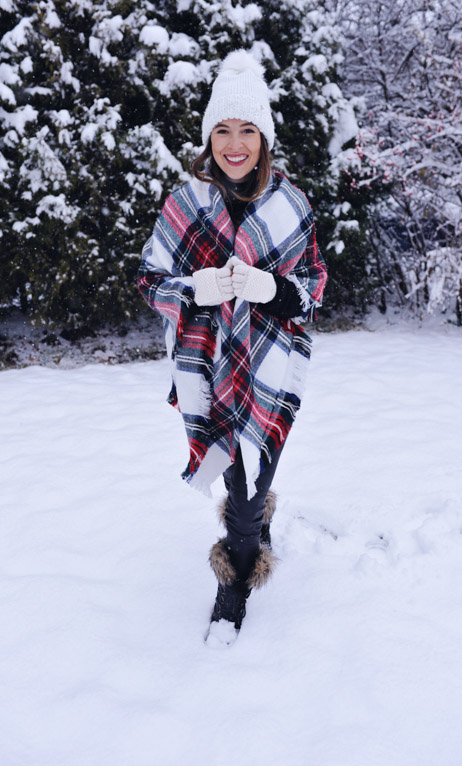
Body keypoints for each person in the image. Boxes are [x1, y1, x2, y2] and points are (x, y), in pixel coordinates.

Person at [138, 50, 327, 647]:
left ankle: (236, 576)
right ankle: (248, 543)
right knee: (237, 477)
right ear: (210, 136)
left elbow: (314, 284)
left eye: (247, 130)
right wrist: (198, 287)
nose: (235, 143)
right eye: (223, 130)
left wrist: (270, 289)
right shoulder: (186, 203)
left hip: (271, 365)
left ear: (264, 137)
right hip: (208, 366)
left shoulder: (290, 204)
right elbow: (150, 278)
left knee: (249, 482)